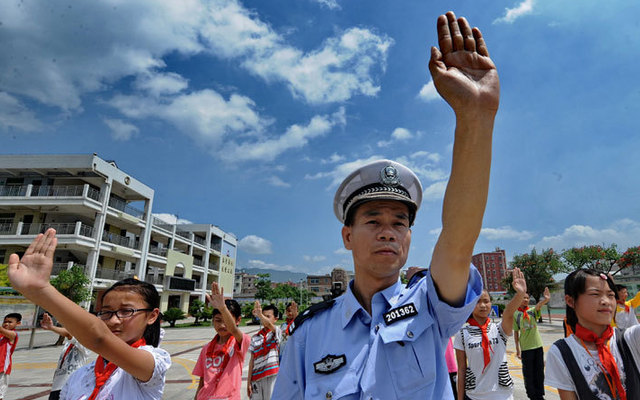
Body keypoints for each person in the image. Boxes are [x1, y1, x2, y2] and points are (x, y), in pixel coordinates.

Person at [272, 10, 499, 399]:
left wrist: (475, 116)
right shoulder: (309, 332)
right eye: (372, 219)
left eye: (399, 222)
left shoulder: (430, 305)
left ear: (409, 238)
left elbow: (459, 240)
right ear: (347, 235)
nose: (387, 231)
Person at [8, 229, 170, 400]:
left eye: (126, 311)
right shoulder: (80, 376)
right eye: (107, 312)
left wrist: (42, 291)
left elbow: (99, 337)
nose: (114, 320)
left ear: (152, 316)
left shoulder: (153, 364)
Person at [545, 269, 640, 399]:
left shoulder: (630, 339)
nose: (606, 301)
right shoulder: (561, 352)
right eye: (595, 294)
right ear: (571, 301)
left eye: (611, 295)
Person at [454, 268, 527, 400]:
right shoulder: (462, 334)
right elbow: (461, 369)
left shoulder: (499, 329)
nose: (482, 305)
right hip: (474, 395)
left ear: (491, 303)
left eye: (486, 301)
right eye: (477, 301)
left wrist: (520, 294)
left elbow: (509, 313)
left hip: (502, 395)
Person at [192, 282, 251, 400]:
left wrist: (223, 308)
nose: (222, 325)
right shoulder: (206, 348)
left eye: (226, 320)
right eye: (218, 320)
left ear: (238, 320)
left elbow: (233, 329)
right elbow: (203, 380)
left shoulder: (239, 343)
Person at [39, 313, 89, 400]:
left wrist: (52, 327)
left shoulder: (85, 342)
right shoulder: (68, 344)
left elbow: (68, 334)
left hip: (70, 386)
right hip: (57, 386)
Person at [513, 288, 551, 400]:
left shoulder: (532, 311)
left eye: (527, 298)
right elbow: (516, 333)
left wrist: (546, 299)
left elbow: (539, 305)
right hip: (526, 349)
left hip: (538, 346)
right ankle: (532, 395)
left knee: (539, 371)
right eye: (523, 298)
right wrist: (517, 350)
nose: (525, 300)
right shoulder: (516, 314)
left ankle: (540, 394)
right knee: (528, 373)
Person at [248, 301, 282, 400]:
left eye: (268, 316)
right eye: (263, 316)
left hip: (272, 376)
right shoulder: (255, 337)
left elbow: (270, 325)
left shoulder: (277, 332)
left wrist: (260, 315)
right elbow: (251, 361)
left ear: (275, 319)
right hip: (256, 378)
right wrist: (249, 382)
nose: (264, 319)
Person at [0, 312, 21, 400]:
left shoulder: (13, 334)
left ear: (18, 323)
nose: (6, 324)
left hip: (2, 368)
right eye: (5, 322)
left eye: (10, 322)